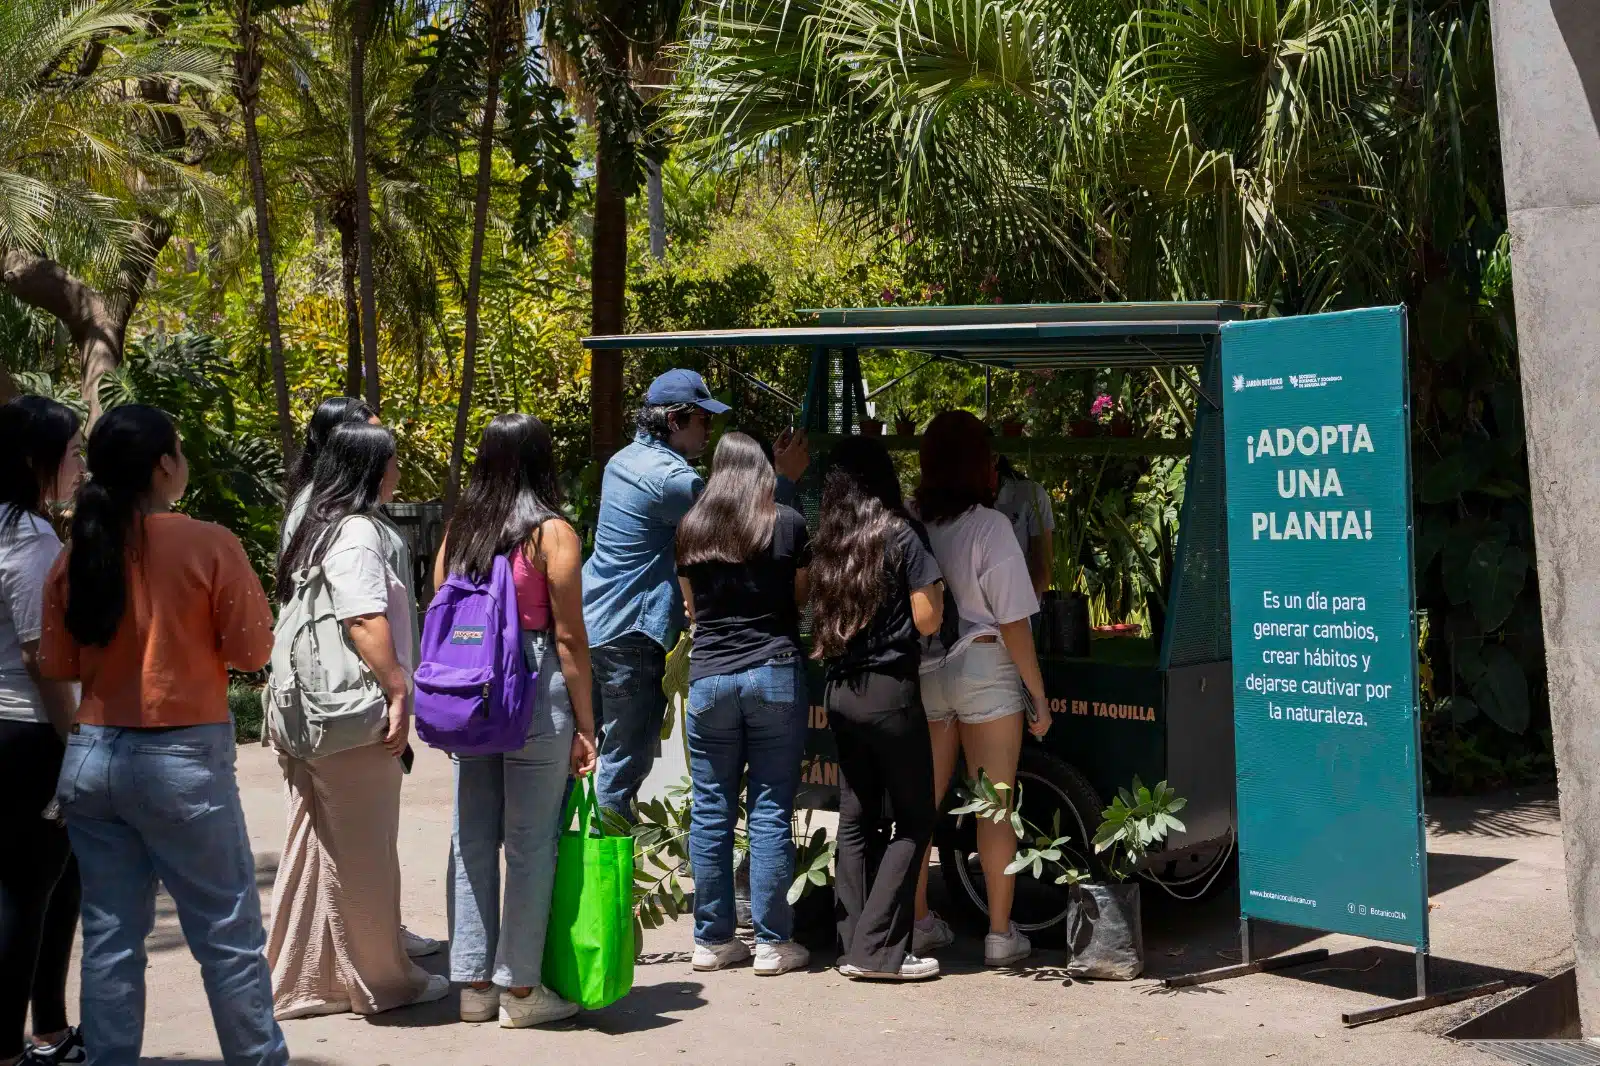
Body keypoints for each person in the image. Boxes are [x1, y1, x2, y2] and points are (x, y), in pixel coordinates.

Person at [37, 404, 288, 1066]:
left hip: (92, 760)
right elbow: (253, 651)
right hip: (182, 758)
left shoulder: (76, 553)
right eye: (178, 450)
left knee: (111, 938)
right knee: (227, 934)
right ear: (162, 466)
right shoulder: (208, 543)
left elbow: (58, 663)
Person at [266, 421, 449, 1018]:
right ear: (371, 469)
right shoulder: (357, 533)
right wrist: (399, 690)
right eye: (392, 460)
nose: (399, 470)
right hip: (349, 717)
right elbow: (364, 618)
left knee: (319, 847)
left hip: (311, 717)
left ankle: (306, 980)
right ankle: (383, 983)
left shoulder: (315, 523)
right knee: (365, 855)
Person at [430, 414, 598, 1027]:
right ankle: (522, 992)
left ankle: (474, 986)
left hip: (472, 690)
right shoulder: (551, 533)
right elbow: (571, 637)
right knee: (530, 844)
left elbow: (440, 612)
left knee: (471, 836)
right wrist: (586, 724)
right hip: (533, 683)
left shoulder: (461, 532)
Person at [910, 410, 1052, 967]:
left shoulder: (912, 518)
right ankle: (999, 933)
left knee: (922, 803)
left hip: (926, 671)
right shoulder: (988, 526)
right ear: (979, 465)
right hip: (985, 666)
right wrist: (1036, 692)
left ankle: (920, 922)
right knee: (995, 805)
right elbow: (1014, 618)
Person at [675, 432, 812, 976]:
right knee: (771, 808)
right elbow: (800, 597)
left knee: (711, 809)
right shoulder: (787, 522)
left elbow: (691, 609)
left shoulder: (690, 528)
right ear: (761, 471)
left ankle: (712, 940)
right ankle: (773, 943)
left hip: (709, 679)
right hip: (773, 670)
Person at [809, 437, 945, 982]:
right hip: (891, 693)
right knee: (914, 818)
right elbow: (929, 618)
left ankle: (852, 945)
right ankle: (878, 952)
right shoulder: (902, 534)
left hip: (840, 692)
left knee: (858, 816)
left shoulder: (831, 542)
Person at [0, 398, 82, 1066]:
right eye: (72, 452)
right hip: (30, 734)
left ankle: (51, 1030)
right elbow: (40, 654)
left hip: (15, 731)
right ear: (35, 461)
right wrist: (77, 742)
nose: (80, 465)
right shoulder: (28, 538)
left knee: (61, 880)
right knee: (26, 894)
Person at [993, 454, 1055, 599]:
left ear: (994, 458)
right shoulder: (954, 499)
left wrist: (1020, 611)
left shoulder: (1030, 494)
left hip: (1022, 605)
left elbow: (1043, 568)